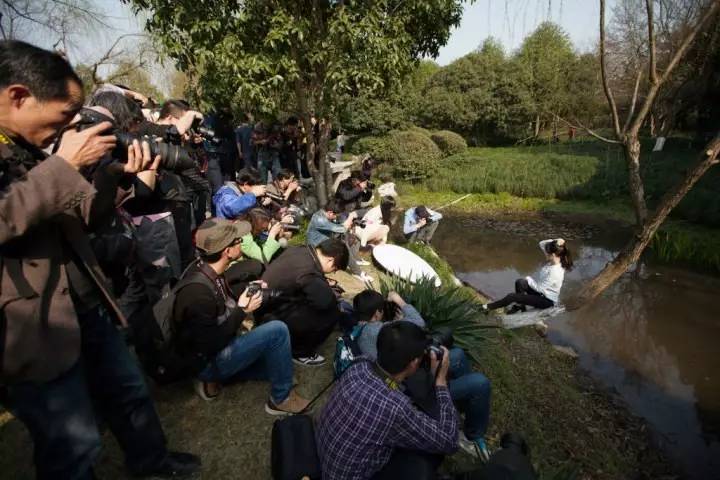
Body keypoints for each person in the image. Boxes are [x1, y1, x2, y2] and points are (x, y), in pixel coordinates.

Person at [0, 40, 199, 478]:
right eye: (63, 115)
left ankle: (153, 465)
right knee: (74, 442)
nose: (69, 127)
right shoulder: (36, 155)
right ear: (18, 96)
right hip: (34, 324)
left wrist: (112, 176)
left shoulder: (31, 149)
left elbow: (86, 216)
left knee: (129, 392)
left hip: (86, 303)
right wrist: (63, 166)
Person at [173, 218, 310, 413]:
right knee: (277, 331)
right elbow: (210, 344)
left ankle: (219, 380)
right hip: (207, 360)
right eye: (238, 240)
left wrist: (248, 289)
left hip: (213, 349)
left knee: (275, 362)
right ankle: (281, 398)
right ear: (227, 251)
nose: (242, 242)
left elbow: (220, 308)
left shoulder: (207, 271)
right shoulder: (198, 294)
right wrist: (242, 311)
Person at [353, 290, 492, 461]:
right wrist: (437, 376)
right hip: (413, 390)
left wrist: (398, 328)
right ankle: (474, 433)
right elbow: (419, 323)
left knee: (458, 355)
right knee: (481, 383)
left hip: (398, 373)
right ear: (377, 314)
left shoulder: (361, 331)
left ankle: (461, 405)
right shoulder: (379, 331)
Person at [316, 321, 458, 480]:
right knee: (427, 458)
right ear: (414, 363)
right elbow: (449, 441)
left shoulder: (359, 364)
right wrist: (441, 382)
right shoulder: (395, 407)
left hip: (326, 459)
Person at [260, 239, 349, 366]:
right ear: (330, 260)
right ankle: (300, 352)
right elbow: (324, 302)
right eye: (335, 268)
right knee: (332, 312)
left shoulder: (302, 250)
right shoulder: (309, 272)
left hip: (267, 301)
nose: (333, 272)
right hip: (272, 315)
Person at [481, 239, 573, 314]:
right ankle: (520, 306)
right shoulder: (553, 262)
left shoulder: (555, 271)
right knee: (520, 282)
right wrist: (558, 241)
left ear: (553, 255)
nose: (544, 253)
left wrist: (529, 279)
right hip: (541, 294)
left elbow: (540, 288)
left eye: (546, 252)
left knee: (512, 296)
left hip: (546, 301)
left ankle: (487, 308)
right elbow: (541, 243)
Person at [307, 201, 373, 283]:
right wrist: (349, 219)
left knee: (349, 237)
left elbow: (337, 227)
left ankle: (355, 260)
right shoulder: (319, 219)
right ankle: (358, 273)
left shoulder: (323, 214)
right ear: (330, 213)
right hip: (316, 246)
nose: (335, 217)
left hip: (324, 240)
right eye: (335, 215)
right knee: (343, 248)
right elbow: (341, 229)